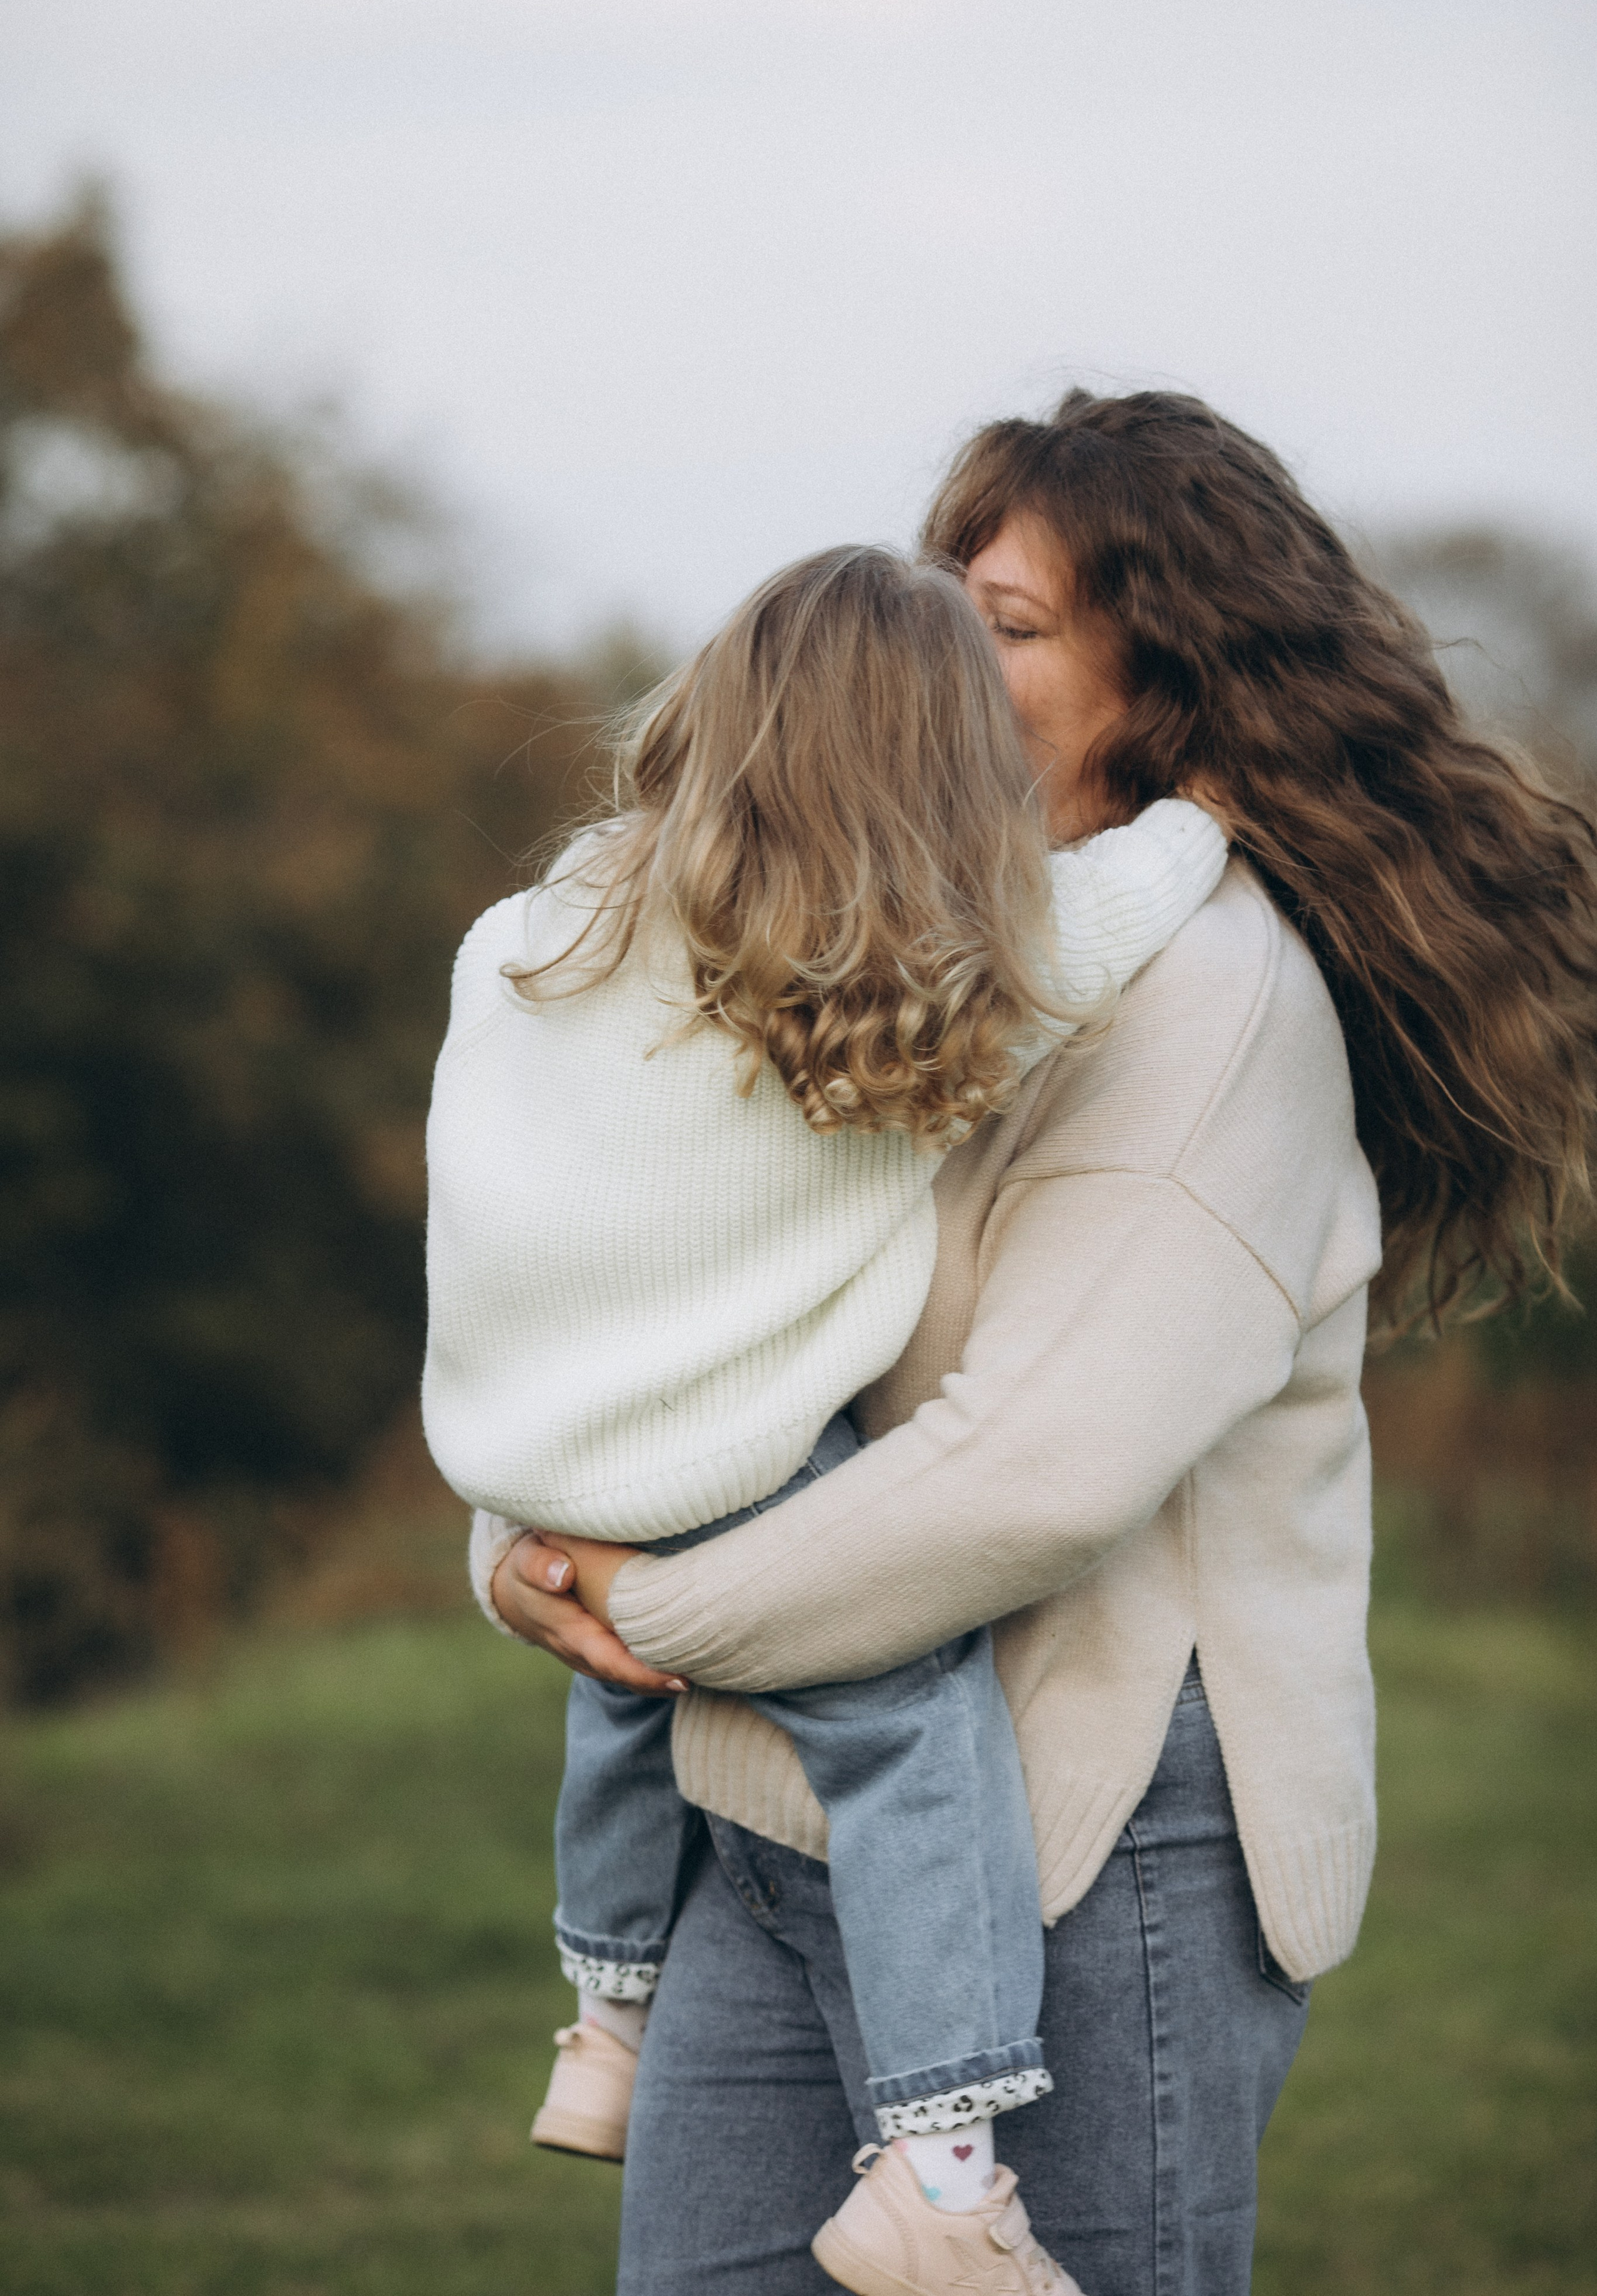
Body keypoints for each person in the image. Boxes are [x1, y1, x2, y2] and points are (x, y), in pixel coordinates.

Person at [484, 392, 1597, 2296]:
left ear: (1160, 690)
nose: (934, 655)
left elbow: (1033, 1473)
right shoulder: (885, 944)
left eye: (1003, 625)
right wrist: (538, 1535)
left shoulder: (1216, 1002)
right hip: (780, 1790)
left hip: (1103, 1840)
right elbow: (651, 1271)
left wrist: (640, 1604)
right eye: (939, 601)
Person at [425, 542, 1228, 2295]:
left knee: (623, 1708)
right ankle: (939, 2171)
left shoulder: (541, 937)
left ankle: (607, 2021)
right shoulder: (892, 978)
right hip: (732, 1474)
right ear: (946, 770)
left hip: (539, 1452)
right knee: (918, 1746)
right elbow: (1113, 915)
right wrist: (1203, 817)